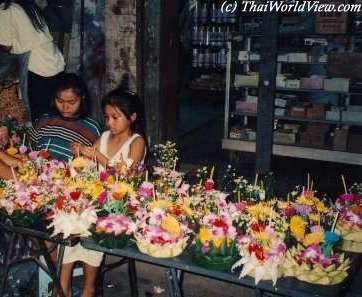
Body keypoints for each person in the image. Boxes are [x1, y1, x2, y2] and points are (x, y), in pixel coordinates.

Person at [66, 89, 147, 297]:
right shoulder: (103, 137)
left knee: (90, 222)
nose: (109, 123)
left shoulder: (137, 142)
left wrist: (97, 156)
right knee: (68, 219)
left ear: (132, 117)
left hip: (121, 203)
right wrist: (80, 155)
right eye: (106, 117)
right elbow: (87, 166)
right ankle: (62, 287)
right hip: (98, 197)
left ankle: (88, 288)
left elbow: (125, 177)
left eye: (115, 117)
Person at [0, 0, 65, 121]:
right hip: (54, 62)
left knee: (39, 117)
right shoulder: (27, 5)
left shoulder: (5, 10)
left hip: (37, 66)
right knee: (54, 113)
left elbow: (6, 46)